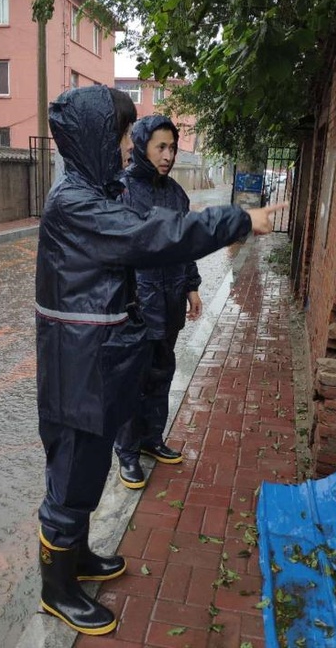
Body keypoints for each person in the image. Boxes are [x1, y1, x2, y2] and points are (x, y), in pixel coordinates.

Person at [35, 84, 286, 636]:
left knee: (87, 470)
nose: (129, 146)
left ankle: (77, 558)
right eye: (122, 135)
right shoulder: (75, 204)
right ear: (95, 139)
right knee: (71, 478)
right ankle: (57, 589)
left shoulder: (93, 193)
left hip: (94, 363)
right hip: (75, 369)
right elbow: (154, 235)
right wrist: (238, 220)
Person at [114, 115, 202, 489]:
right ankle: (127, 452)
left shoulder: (176, 194)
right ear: (141, 147)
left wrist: (192, 287)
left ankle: (152, 438)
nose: (168, 156)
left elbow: (186, 245)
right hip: (136, 305)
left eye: (172, 147)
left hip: (170, 301)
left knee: (162, 373)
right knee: (133, 380)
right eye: (160, 147)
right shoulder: (121, 191)